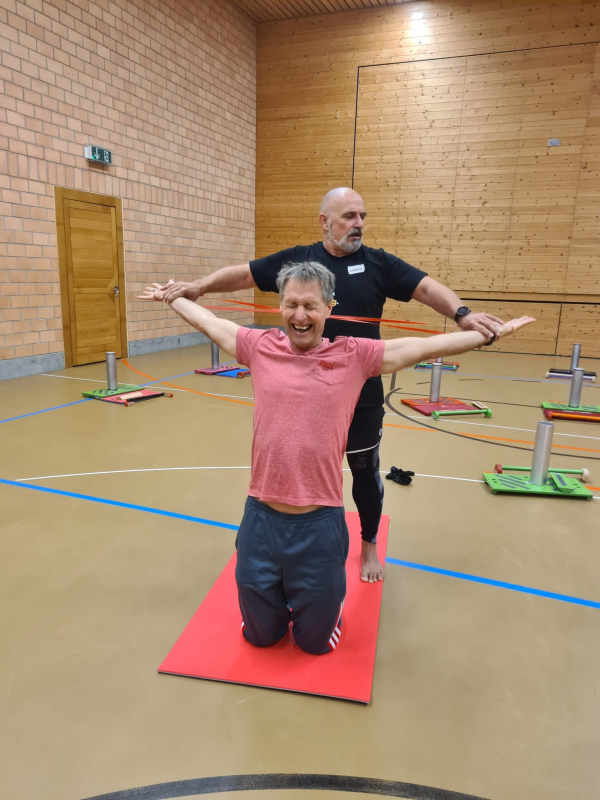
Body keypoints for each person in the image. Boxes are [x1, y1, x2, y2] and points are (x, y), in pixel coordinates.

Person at [139, 261, 533, 655]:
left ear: (329, 307)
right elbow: (210, 322)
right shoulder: (259, 346)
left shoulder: (354, 356)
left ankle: (328, 605)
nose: (300, 315)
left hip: (320, 525)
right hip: (260, 520)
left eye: (310, 306)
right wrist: (171, 298)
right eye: (292, 304)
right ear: (280, 306)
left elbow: (424, 346)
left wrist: (485, 335)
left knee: (316, 644)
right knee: (259, 637)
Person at [158, 189, 504, 584]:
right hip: (304, 390)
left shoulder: (378, 263)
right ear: (324, 222)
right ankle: (281, 536)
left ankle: (369, 543)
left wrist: (462, 314)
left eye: (362, 216)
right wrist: (198, 287)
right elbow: (245, 274)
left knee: (363, 471)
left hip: (359, 390)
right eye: (349, 216)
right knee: (293, 461)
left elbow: (425, 288)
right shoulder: (298, 261)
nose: (359, 224)